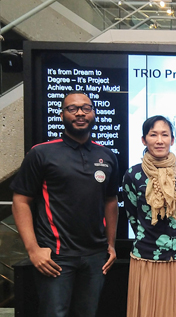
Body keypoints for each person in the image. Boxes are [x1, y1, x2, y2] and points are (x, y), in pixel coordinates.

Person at [10, 91, 119, 317]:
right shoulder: (41, 153)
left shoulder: (107, 155)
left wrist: (111, 244)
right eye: (72, 108)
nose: (80, 113)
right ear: (62, 115)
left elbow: (111, 200)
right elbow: (20, 201)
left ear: (94, 113)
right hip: (55, 256)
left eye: (86, 108)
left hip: (95, 257)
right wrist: (33, 250)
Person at [122, 115, 176, 317]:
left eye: (165, 134)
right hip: (146, 256)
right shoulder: (132, 175)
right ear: (144, 140)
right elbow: (133, 217)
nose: (159, 140)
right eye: (153, 135)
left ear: (172, 139)